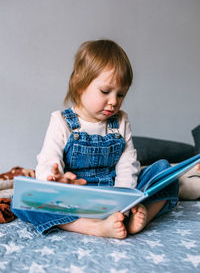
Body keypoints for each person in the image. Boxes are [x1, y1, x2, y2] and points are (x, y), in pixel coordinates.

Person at [11, 39, 179, 238]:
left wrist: (124, 200)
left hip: (114, 193)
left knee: (166, 171)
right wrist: (55, 181)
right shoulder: (61, 121)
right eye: (105, 91)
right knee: (20, 200)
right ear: (80, 84)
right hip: (75, 200)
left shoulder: (121, 121)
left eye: (121, 94)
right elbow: (49, 160)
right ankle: (90, 226)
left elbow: (128, 164)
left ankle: (140, 217)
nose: (114, 102)